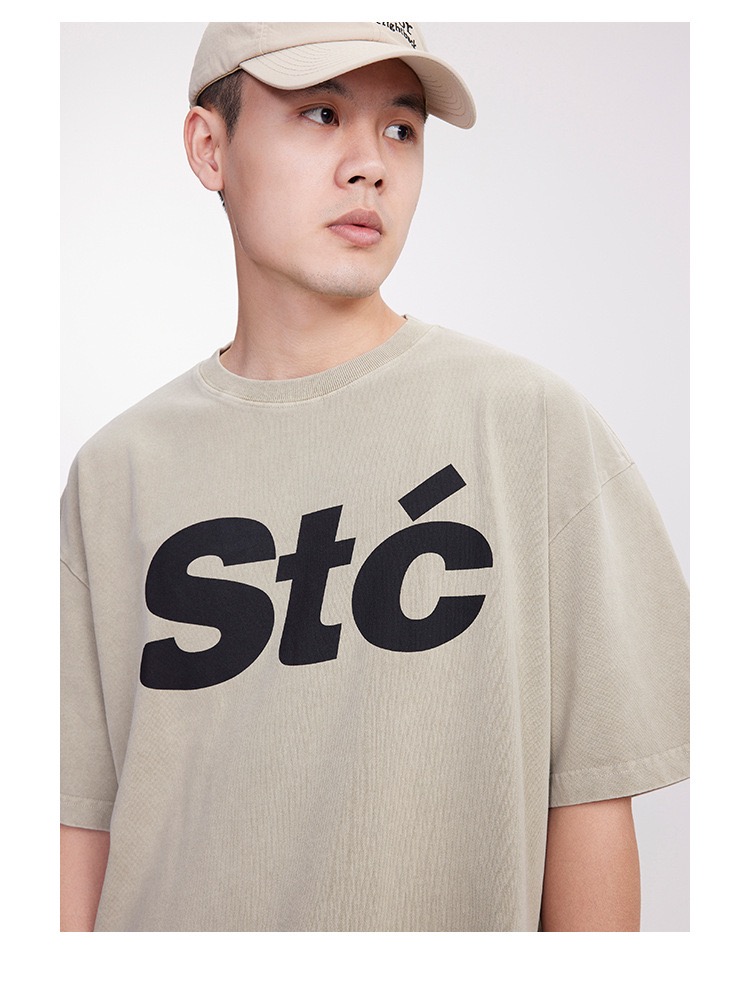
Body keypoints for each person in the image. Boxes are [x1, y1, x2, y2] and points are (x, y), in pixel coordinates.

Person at [60, 22, 689, 932]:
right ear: (209, 146)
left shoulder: (531, 427)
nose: (371, 167)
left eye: (401, 129)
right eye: (320, 114)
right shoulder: (115, 473)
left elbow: (590, 802)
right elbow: (73, 832)